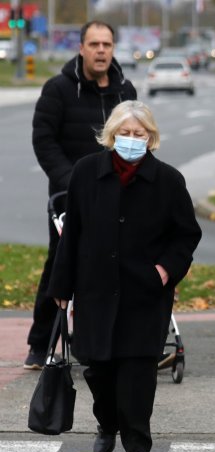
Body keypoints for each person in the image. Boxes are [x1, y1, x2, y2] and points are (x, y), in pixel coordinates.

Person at [47, 101, 202, 452]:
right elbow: (72, 236)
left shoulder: (167, 180)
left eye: (139, 134)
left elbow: (186, 236)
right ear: (111, 136)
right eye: (124, 134)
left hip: (144, 291)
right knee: (97, 367)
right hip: (95, 288)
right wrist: (61, 285)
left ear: (151, 138)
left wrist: (164, 272)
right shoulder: (86, 173)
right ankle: (107, 422)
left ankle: (137, 443)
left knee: (137, 370)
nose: (131, 140)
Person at [25, 20, 137, 370]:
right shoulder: (58, 90)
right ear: (81, 49)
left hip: (119, 195)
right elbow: (44, 141)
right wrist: (71, 181)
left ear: (113, 49)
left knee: (120, 265)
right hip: (69, 197)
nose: (101, 50)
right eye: (94, 44)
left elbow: (137, 136)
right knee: (60, 266)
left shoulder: (125, 91)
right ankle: (40, 342)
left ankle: (115, 341)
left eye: (107, 44)